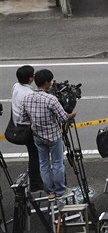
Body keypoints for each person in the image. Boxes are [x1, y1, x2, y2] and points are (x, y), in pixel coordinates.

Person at [20, 69, 76, 199]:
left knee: (44, 163)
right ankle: (60, 190)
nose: (51, 83)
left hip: (38, 136)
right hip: (53, 136)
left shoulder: (27, 98)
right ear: (46, 82)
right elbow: (64, 118)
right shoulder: (51, 99)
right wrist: (72, 114)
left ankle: (50, 191)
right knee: (57, 163)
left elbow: (23, 118)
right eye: (50, 81)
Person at [10, 65, 43, 192]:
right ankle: (36, 183)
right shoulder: (30, 94)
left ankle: (36, 180)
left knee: (34, 153)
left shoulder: (15, 86)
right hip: (27, 128)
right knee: (35, 154)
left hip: (17, 125)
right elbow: (34, 114)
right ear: (30, 78)